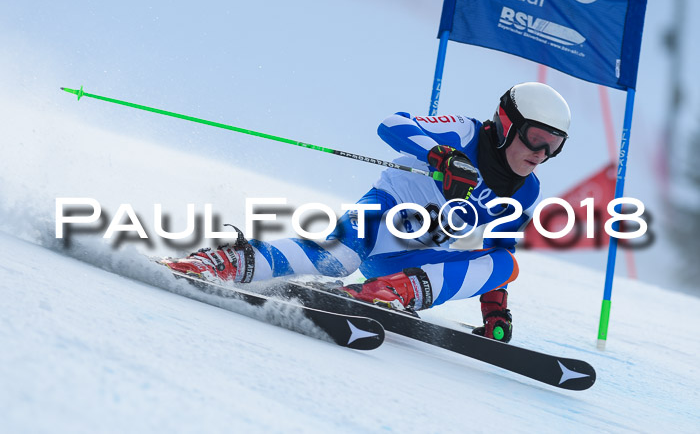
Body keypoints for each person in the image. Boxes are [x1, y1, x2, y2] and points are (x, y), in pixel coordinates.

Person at [160, 82, 571, 342]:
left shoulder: (526, 191)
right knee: (338, 258)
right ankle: (222, 262)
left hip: (406, 261)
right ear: (505, 124)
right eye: (536, 139)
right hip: (380, 218)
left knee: (507, 263)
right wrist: (440, 156)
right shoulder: (464, 133)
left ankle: (388, 293)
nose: (541, 154)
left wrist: (494, 309)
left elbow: (494, 249)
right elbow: (393, 124)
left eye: (555, 146)